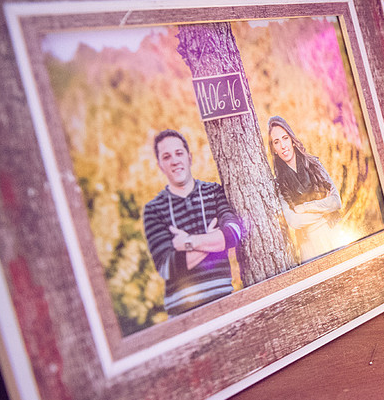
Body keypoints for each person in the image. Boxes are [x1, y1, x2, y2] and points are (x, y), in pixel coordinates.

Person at [142, 129, 244, 316]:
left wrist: (189, 242)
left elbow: (234, 234)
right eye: (166, 157)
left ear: (189, 157)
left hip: (224, 304)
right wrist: (213, 240)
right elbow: (168, 266)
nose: (174, 161)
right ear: (160, 165)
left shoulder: (213, 192)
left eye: (179, 153)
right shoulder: (154, 210)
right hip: (183, 314)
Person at [268, 115, 343, 262]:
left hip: (333, 235)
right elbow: (294, 221)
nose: (283, 146)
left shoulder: (314, 164)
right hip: (309, 248)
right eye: (276, 142)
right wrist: (324, 209)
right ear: (274, 149)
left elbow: (336, 202)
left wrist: (305, 207)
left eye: (285, 138)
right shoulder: (279, 184)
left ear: (292, 140)